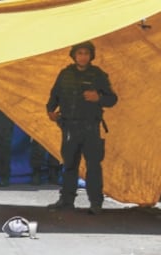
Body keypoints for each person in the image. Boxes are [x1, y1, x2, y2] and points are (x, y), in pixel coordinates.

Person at [46, 41, 118, 215]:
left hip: (90, 127)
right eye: (80, 53)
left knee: (93, 166)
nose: (83, 56)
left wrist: (98, 97)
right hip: (69, 126)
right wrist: (50, 111)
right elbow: (54, 95)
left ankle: (95, 202)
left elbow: (112, 99)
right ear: (74, 56)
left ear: (91, 56)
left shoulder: (98, 75)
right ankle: (66, 200)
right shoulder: (65, 74)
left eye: (86, 53)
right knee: (69, 165)